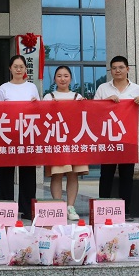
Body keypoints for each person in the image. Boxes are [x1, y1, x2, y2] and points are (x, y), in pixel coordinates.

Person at [94, 55, 139, 221]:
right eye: (114, 68)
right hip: (108, 139)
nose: (117, 70)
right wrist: (106, 102)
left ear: (128, 69)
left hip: (128, 139)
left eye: (121, 67)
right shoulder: (103, 88)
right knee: (106, 176)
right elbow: (94, 111)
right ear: (110, 70)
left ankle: (125, 211)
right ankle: (103, 211)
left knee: (127, 177)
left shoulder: (137, 89)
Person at [0, 55, 40, 220]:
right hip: (7, 134)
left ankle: (27, 208)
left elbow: (39, 110)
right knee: (6, 172)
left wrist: (35, 103)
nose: (19, 69)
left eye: (21, 66)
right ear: (10, 68)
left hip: (27, 133)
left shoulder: (32, 87)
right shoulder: (3, 88)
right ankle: (6, 207)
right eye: (15, 66)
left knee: (28, 173)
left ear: (25, 69)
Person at [42, 66, 87, 221]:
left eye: (66, 76)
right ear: (54, 79)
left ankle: (70, 207)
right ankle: (58, 206)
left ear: (70, 78)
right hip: (56, 140)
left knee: (73, 174)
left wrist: (84, 105)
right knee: (57, 174)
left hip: (74, 140)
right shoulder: (48, 97)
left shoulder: (77, 97)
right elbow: (43, 118)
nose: (62, 79)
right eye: (59, 76)